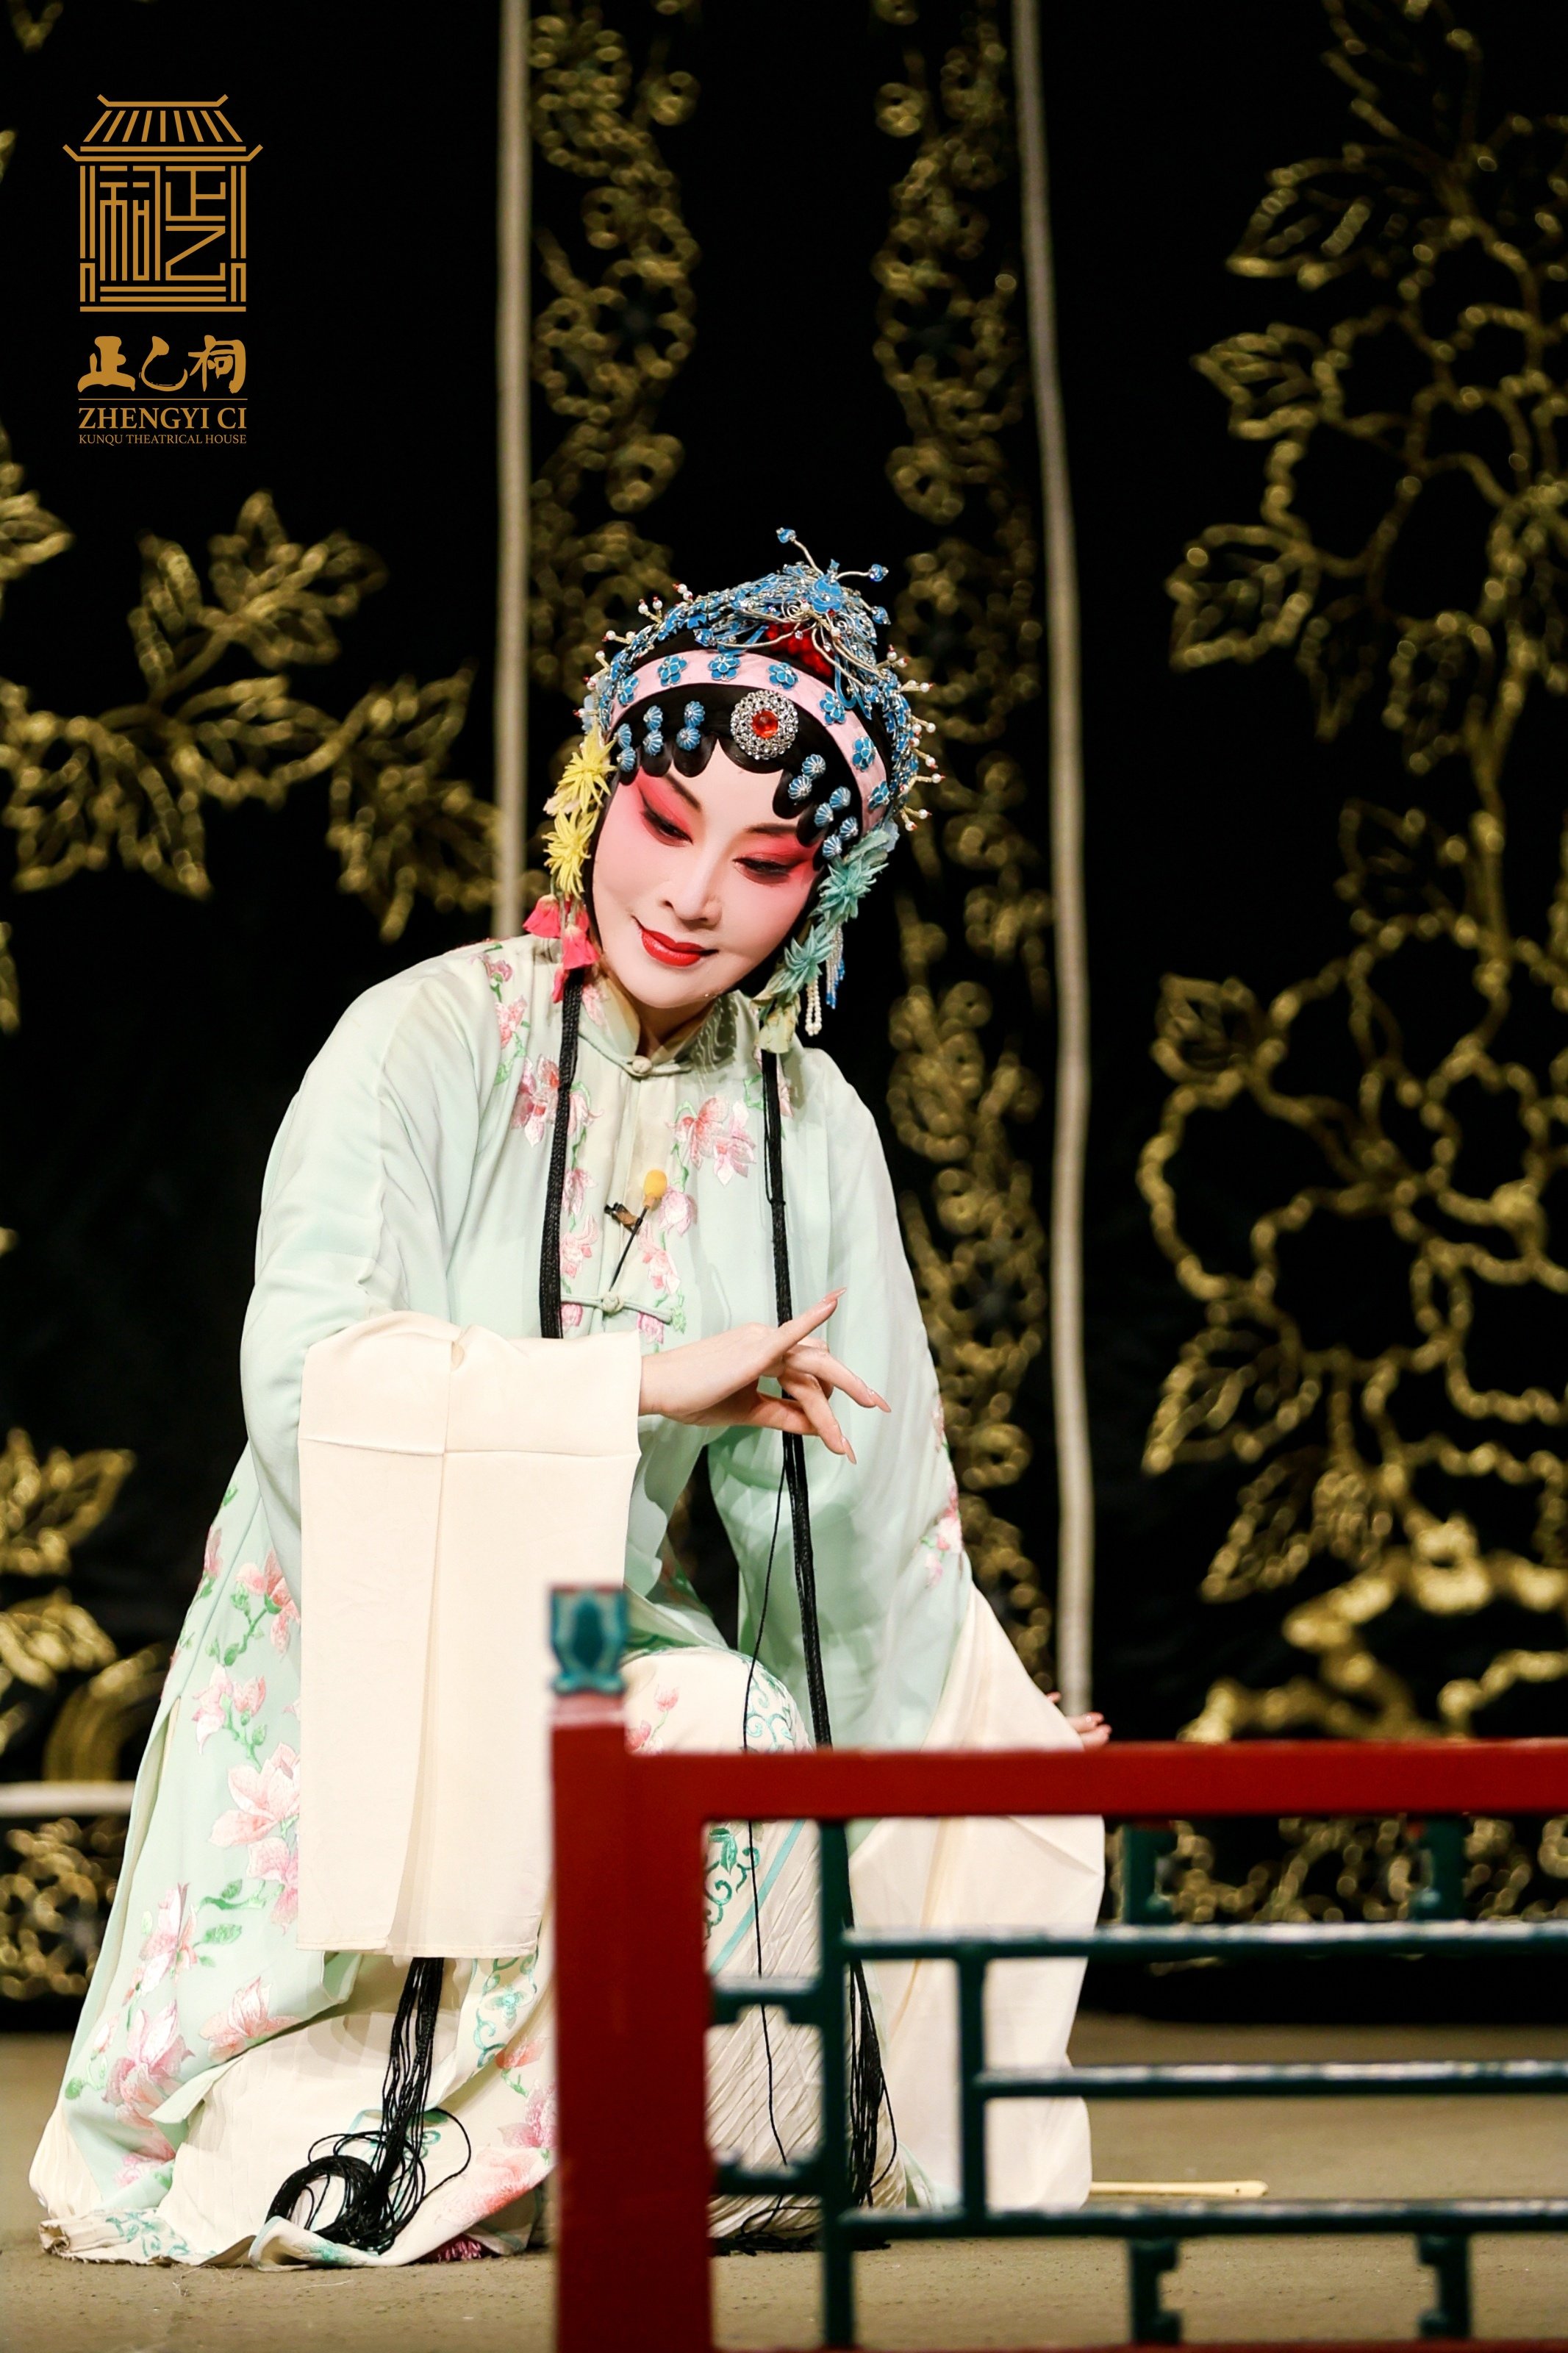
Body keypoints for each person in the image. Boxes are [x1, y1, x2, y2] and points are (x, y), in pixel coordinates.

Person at [30, 535, 1109, 2268]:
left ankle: (609, 2138)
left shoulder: (807, 1126)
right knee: (298, 2122)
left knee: (736, 1731)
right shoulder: (421, 1038)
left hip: (598, 1628)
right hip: (349, 1628)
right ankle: (426, 2118)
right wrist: (641, 1386)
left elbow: (865, 1526)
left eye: (762, 862)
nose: (691, 896)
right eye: (664, 824)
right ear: (593, 800)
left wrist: (981, 1741)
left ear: (821, 894)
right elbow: (309, 1391)